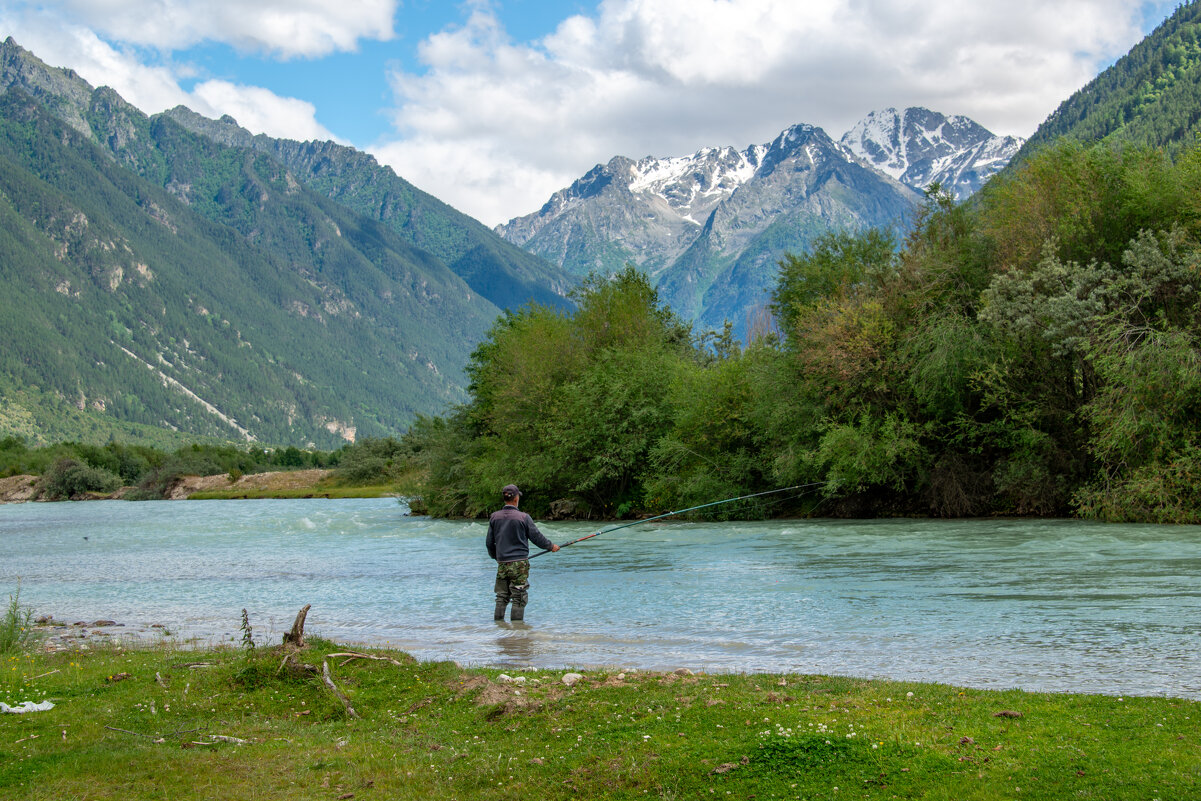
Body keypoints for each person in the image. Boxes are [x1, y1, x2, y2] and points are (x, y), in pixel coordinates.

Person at [485, 483, 558, 621]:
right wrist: (551, 546)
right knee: (518, 597)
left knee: (501, 596)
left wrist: (497, 557)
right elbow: (537, 538)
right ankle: (517, 633)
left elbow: (489, 543)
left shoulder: (494, 517)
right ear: (516, 498)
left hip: (502, 563)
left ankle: (499, 627)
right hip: (519, 565)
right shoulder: (524, 517)